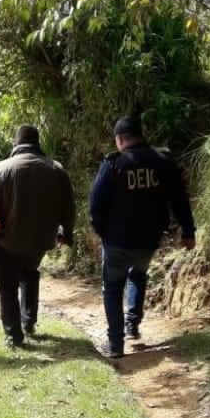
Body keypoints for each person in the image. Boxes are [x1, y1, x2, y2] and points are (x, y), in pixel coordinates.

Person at [89, 115, 196, 359]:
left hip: (116, 241)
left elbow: (95, 205)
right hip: (149, 241)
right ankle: (132, 325)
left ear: (120, 139)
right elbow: (180, 200)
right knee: (138, 273)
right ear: (140, 135)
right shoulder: (162, 162)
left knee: (113, 288)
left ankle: (116, 345)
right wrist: (188, 231)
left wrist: (102, 232)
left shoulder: (113, 164)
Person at [0, 125, 75, 347]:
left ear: (16, 144)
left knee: (7, 286)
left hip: (7, 240)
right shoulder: (57, 169)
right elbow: (69, 207)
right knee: (30, 273)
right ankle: (29, 321)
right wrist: (66, 232)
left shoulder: (2, 169)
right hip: (41, 240)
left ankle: (14, 335)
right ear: (37, 143)